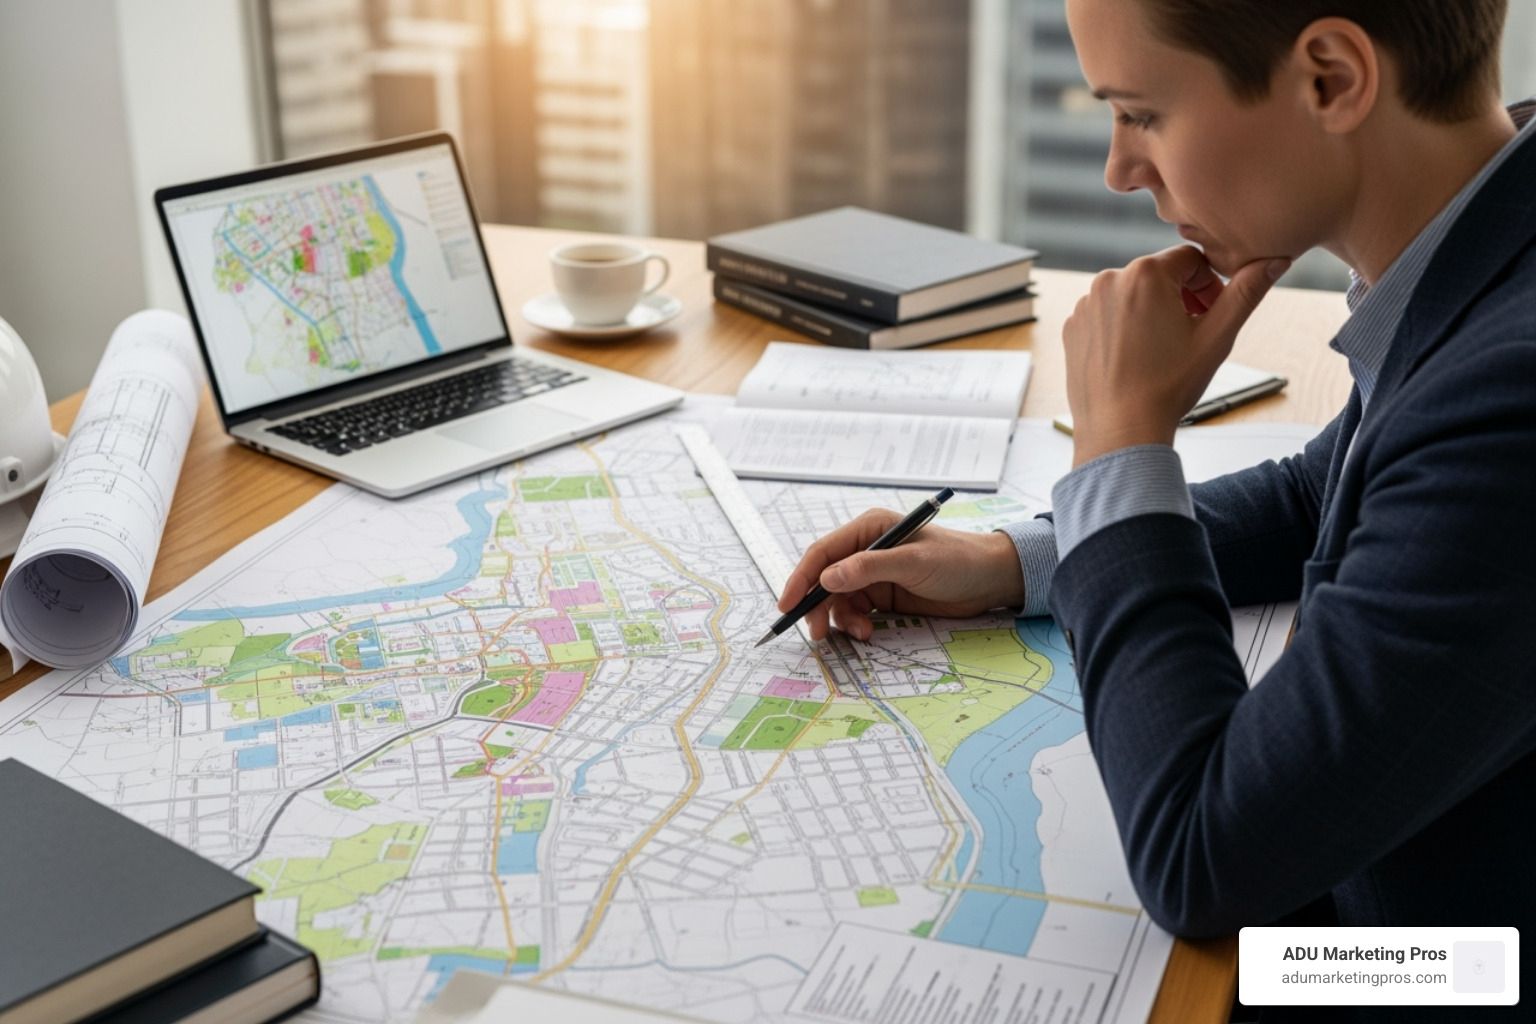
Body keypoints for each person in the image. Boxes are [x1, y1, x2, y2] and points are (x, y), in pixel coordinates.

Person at [778, 1, 1535, 1019]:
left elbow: (1203, 859)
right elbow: (1333, 489)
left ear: (1330, 78)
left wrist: (1122, 441)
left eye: (1141, 112)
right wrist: (1023, 558)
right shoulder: (1488, 245)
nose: (1119, 169)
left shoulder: (1511, 399)